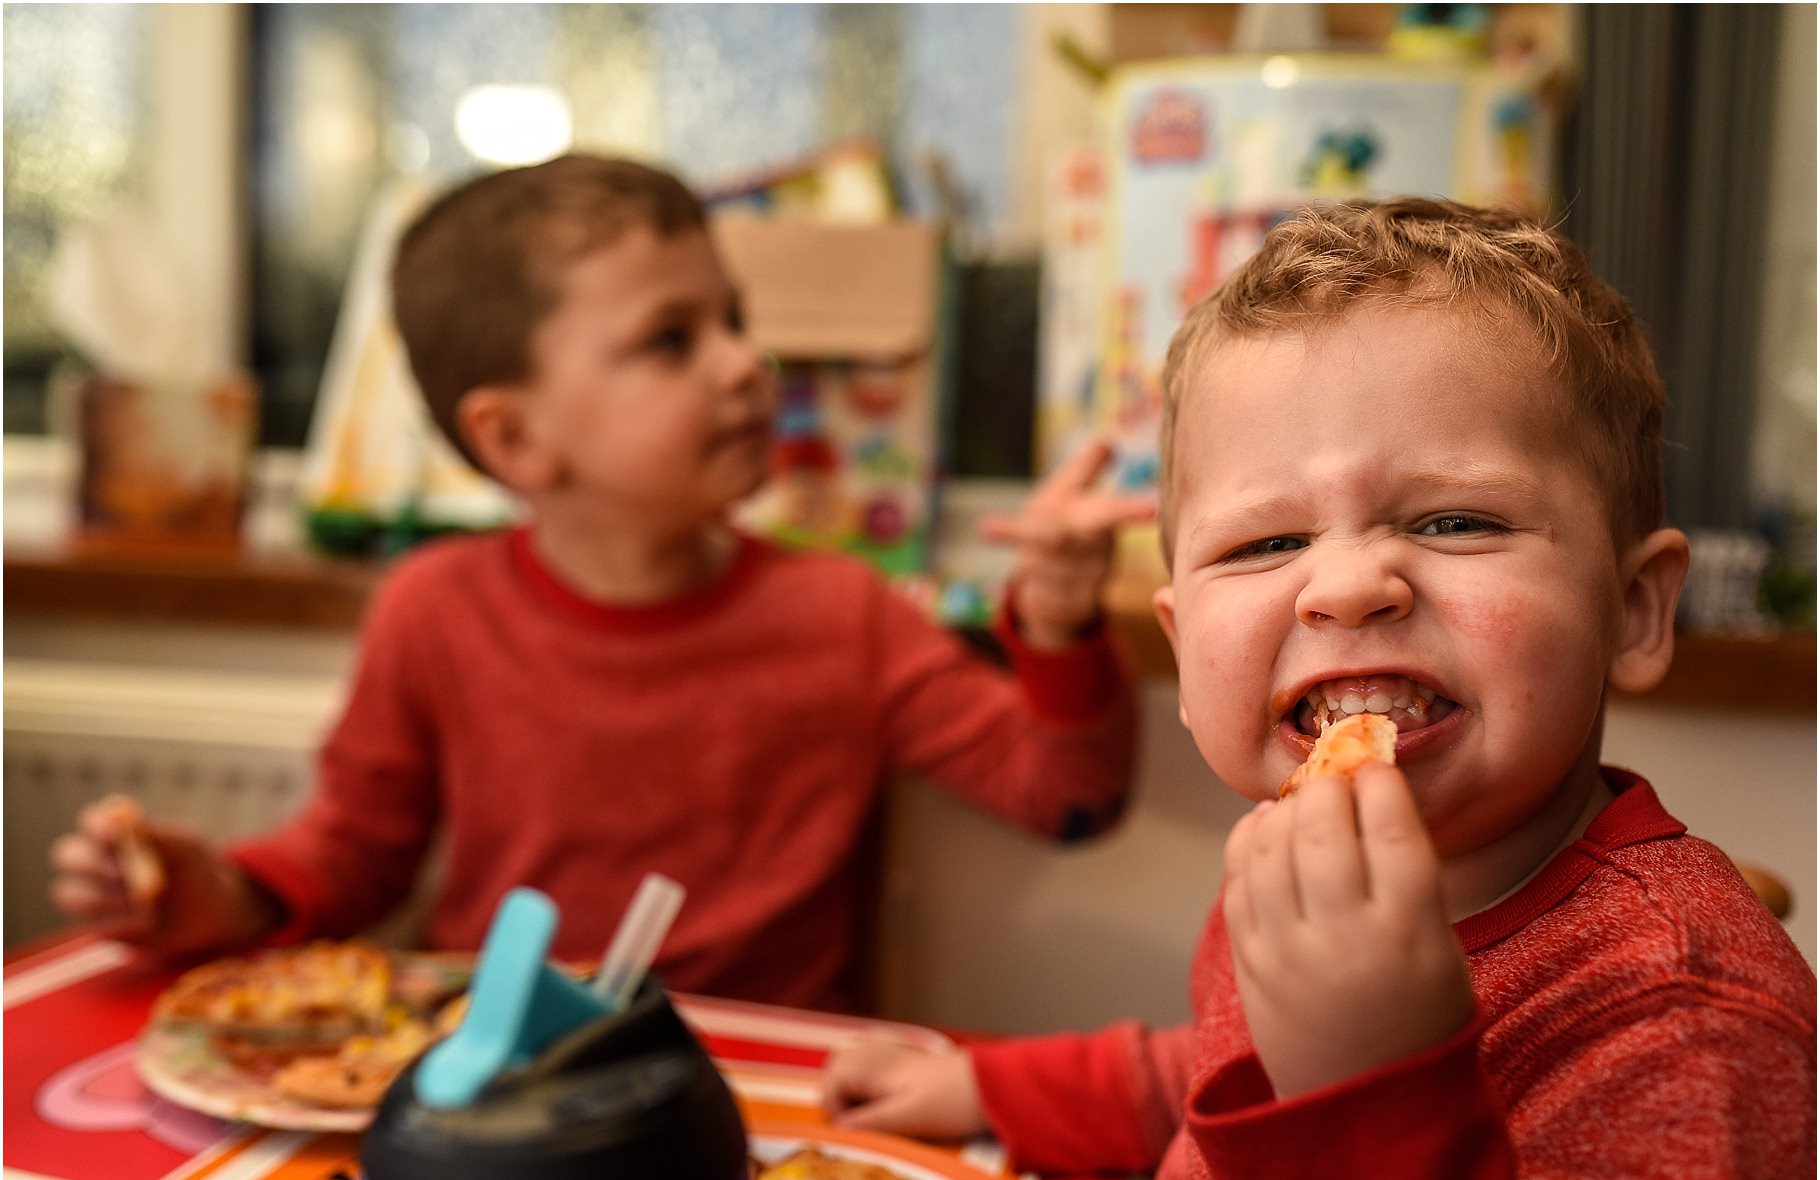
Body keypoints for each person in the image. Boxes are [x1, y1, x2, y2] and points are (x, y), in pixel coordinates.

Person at [820, 197, 1817, 1180]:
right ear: (1180, 642)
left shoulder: (1683, 1015)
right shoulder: (1300, 857)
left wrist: (1371, 1089)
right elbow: (1220, 1069)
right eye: (1265, 542)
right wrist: (987, 1087)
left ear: (1633, 611)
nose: (1343, 585)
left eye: (1455, 519)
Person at [46, 155, 1154, 1013]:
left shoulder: (843, 612)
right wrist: (216, 891)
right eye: (671, 340)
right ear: (516, 436)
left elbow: (1066, 796)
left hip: (758, 1100)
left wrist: (1054, 621)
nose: (742, 363)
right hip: (496, 1075)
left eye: (733, 321)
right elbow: (348, 856)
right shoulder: (432, 609)